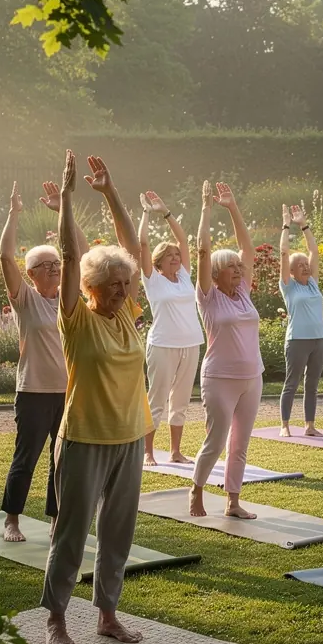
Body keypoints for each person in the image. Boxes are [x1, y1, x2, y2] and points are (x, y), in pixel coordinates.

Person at [42, 152, 151, 644]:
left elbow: (132, 247)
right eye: (113, 287)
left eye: (126, 285)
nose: (123, 292)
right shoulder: (77, 319)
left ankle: (107, 615)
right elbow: (67, 257)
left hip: (129, 437)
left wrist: (110, 194)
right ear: (90, 289)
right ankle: (56, 619)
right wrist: (65, 199)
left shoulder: (126, 313)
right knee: (71, 533)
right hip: (84, 438)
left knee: (117, 535)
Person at [0, 179, 88, 543]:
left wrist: (63, 210)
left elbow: (80, 255)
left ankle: (55, 522)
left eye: (56, 263)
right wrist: (14, 214)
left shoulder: (72, 298)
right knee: (27, 458)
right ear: (31, 274)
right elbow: (5, 257)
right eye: (45, 264)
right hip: (34, 391)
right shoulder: (26, 300)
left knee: (62, 461)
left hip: (69, 393)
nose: (54, 268)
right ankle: (12, 520)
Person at [191, 181, 263, 519]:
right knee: (216, 439)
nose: (239, 269)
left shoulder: (244, 293)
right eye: (231, 266)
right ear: (216, 274)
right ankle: (197, 490)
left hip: (252, 377)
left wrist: (233, 207)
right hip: (219, 378)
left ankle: (233, 501)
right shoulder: (209, 296)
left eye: (239, 266)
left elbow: (247, 247)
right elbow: (203, 251)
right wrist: (206, 209)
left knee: (240, 444)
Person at [138, 190, 204, 465]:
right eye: (170, 255)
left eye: (177, 254)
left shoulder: (185, 276)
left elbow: (184, 241)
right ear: (158, 261)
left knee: (181, 402)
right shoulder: (152, 279)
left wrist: (166, 212)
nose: (176, 257)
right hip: (163, 345)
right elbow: (141, 244)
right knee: (157, 400)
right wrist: (145, 213)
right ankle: (148, 452)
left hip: (191, 343)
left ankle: (176, 452)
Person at [278, 203, 323, 438]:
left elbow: (314, 252)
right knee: (292, 383)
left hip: (319, 340)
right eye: (300, 266)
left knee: (312, 385)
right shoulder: (289, 287)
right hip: (297, 340)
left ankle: (309, 425)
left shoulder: (313, 283)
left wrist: (304, 225)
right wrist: (286, 225)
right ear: (291, 271)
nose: (306, 267)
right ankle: (285, 425)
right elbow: (284, 253)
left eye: (306, 265)